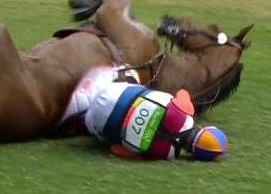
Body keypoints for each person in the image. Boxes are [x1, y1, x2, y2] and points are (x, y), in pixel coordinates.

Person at [72, 68, 228, 161]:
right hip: (95, 121)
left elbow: (182, 92)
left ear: (204, 128)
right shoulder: (167, 155)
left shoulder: (185, 113)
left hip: (114, 90)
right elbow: (116, 149)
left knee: (129, 71)